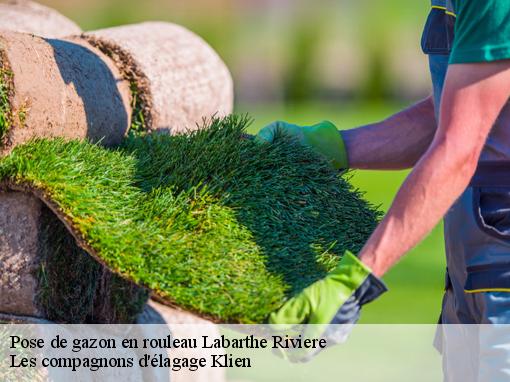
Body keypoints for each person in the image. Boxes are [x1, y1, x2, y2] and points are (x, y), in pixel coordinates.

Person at [260, 0, 510, 376]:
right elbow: (449, 110)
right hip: (473, 274)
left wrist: (355, 280)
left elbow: (457, 149)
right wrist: (333, 146)